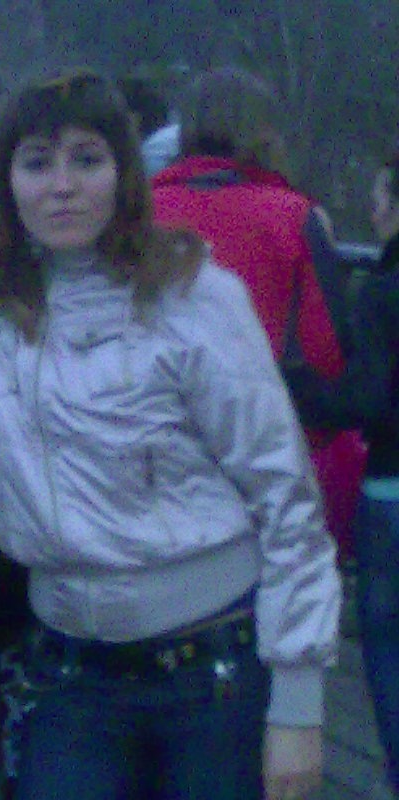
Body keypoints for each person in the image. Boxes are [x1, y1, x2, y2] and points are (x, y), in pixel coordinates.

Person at [0, 68, 340, 800]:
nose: (62, 186)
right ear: (6, 181)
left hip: (212, 681)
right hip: (70, 679)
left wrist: (298, 705)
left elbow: (285, 496)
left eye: (87, 159)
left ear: (123, 172)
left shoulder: (194, 299)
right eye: (37, 162)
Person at [151, 66, 367, 566]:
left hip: (158, 452)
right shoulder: (293, 217)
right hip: (266, 454)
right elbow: (326, 352)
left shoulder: (138, 215)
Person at [285, 152, 399, 795]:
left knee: (386, 648)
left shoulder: (383, 291)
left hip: (391, 491)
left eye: (382, 196)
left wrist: (299, 384)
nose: (374, 209)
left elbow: (365, 400)